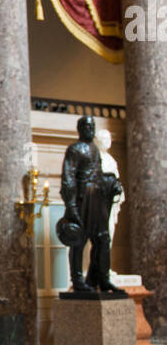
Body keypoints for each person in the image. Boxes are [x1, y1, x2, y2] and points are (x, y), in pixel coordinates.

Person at [58, 115, 124, 294]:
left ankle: (101, 278)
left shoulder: (94, 149)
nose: (90, 129)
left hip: (97, 199)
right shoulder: (75, 149)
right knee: (78, 240)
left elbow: (98, 175)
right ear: (80, 128)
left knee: (102, 239)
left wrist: (113, 183)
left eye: (92, 126)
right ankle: (78, 280)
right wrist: (70, 205)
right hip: (82, 200)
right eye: (87, 126)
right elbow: (68, 177)